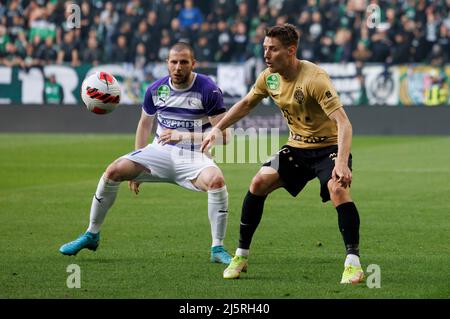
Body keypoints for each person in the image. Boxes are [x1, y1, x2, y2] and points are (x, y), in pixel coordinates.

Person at [201, 24, 364, 284]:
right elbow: (245, 104)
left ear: (291, 51)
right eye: (265, 48)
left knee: (338, 189)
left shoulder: (315, 79)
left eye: (273, 49)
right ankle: (241, 256)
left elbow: (344, 123)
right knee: (258, 182)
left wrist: (342, 163)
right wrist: (216, 128)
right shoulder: (269, 77)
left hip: (328, 148)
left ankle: (353, 263)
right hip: (296, 147)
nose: (266, 54)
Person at [59, 42, 232, 265]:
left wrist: (183, 135)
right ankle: (91, 234)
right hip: (159, 152)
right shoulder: (155, 89)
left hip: (193, 156)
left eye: (183, 62)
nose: (178, 67)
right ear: (167, 63)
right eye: (173, 62)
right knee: (114, 171)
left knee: (217, 181)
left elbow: (225, 136)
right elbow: (144, 125)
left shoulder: (208, 89)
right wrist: (137, 157)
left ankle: (217, 248)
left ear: (193, 64)